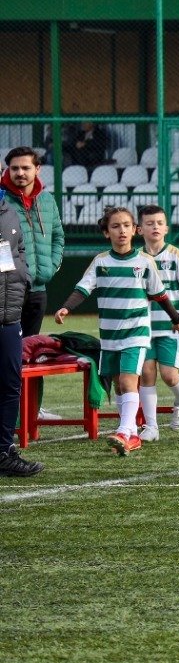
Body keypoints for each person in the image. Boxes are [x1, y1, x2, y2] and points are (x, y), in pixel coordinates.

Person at [55, 206, 179, 456]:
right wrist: (65, 308)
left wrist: (176, 317)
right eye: (115, 226)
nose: (121, 230)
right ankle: (131, 433)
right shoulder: (101, 262)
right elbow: (83, 288)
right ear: (106, 232)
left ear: (135, 230)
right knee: (119, 385)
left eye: (126, 225)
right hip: (110, 335)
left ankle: (125, 431)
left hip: (136, 333)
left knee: (128, 381)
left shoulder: (144, 262)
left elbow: (160, 295)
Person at [136, 204, 179, 442]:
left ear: (166, 227)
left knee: (168, 375)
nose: (155, 227)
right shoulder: (136, 257)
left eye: (159, 223)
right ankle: (151, 426)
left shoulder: (176, 256)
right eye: (149, 223)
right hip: (143, 327)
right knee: (146, 373)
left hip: (171, 325)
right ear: (140, 229)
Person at [0, 184, 41, 477]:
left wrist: (23, 276)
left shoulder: (10, 213)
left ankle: (3, 451)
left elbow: (21, 251)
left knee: (10, 384)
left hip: (10, 316)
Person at [4, 148, 63, 340]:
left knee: (31, 349)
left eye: (25, 167)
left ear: (37, 169)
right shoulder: (1, 199)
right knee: (8, 349)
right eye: (15, 168)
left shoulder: (47, 199)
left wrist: (50, 268)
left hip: (38, 290)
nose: (20, 172)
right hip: (8, 290)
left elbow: (58, 237)